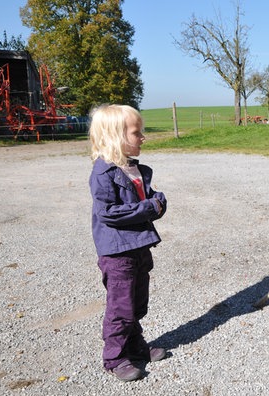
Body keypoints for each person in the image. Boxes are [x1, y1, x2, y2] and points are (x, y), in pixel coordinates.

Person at [88, 104, 169, 381]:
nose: (143, 137)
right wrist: (149, 207)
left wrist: (158, 200)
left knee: (137, 303)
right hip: (117, 252)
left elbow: (150, 196)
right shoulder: (103, 174)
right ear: (116, 137)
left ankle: (134, 346)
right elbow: (107, 212)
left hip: (139, 246)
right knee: (120, 306)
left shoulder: (136, 169)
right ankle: (114, 357)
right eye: (137, 132)